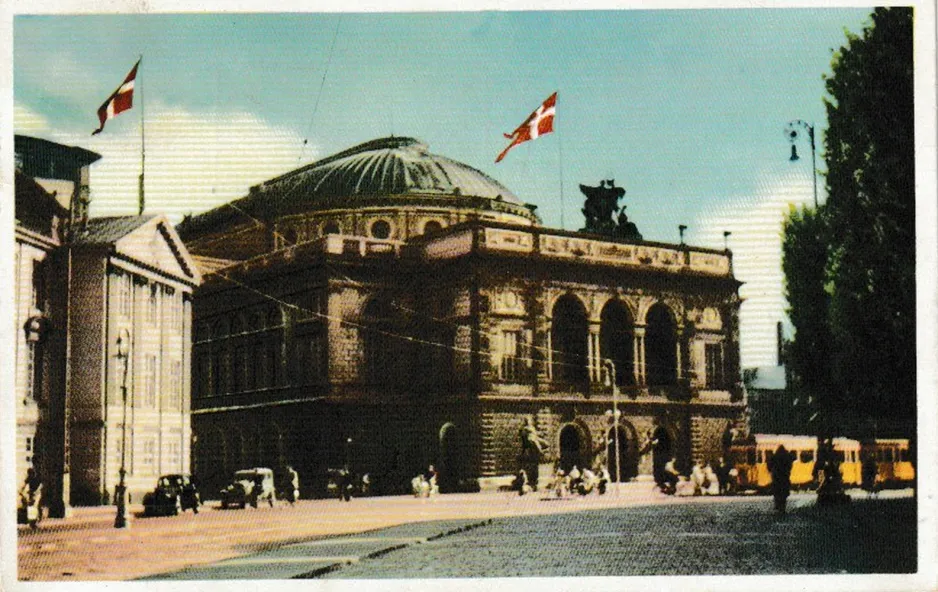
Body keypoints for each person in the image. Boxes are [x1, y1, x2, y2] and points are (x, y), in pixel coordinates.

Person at [767, 444, 794, 515]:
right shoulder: (787, 457)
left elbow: (769, 466)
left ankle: (777, 506)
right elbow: (790, 466)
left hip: (776, 477)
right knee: (783, 494)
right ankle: (783, 507)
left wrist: (772, 471)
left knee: (777, 493)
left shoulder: (774, 456)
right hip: (785, 477)